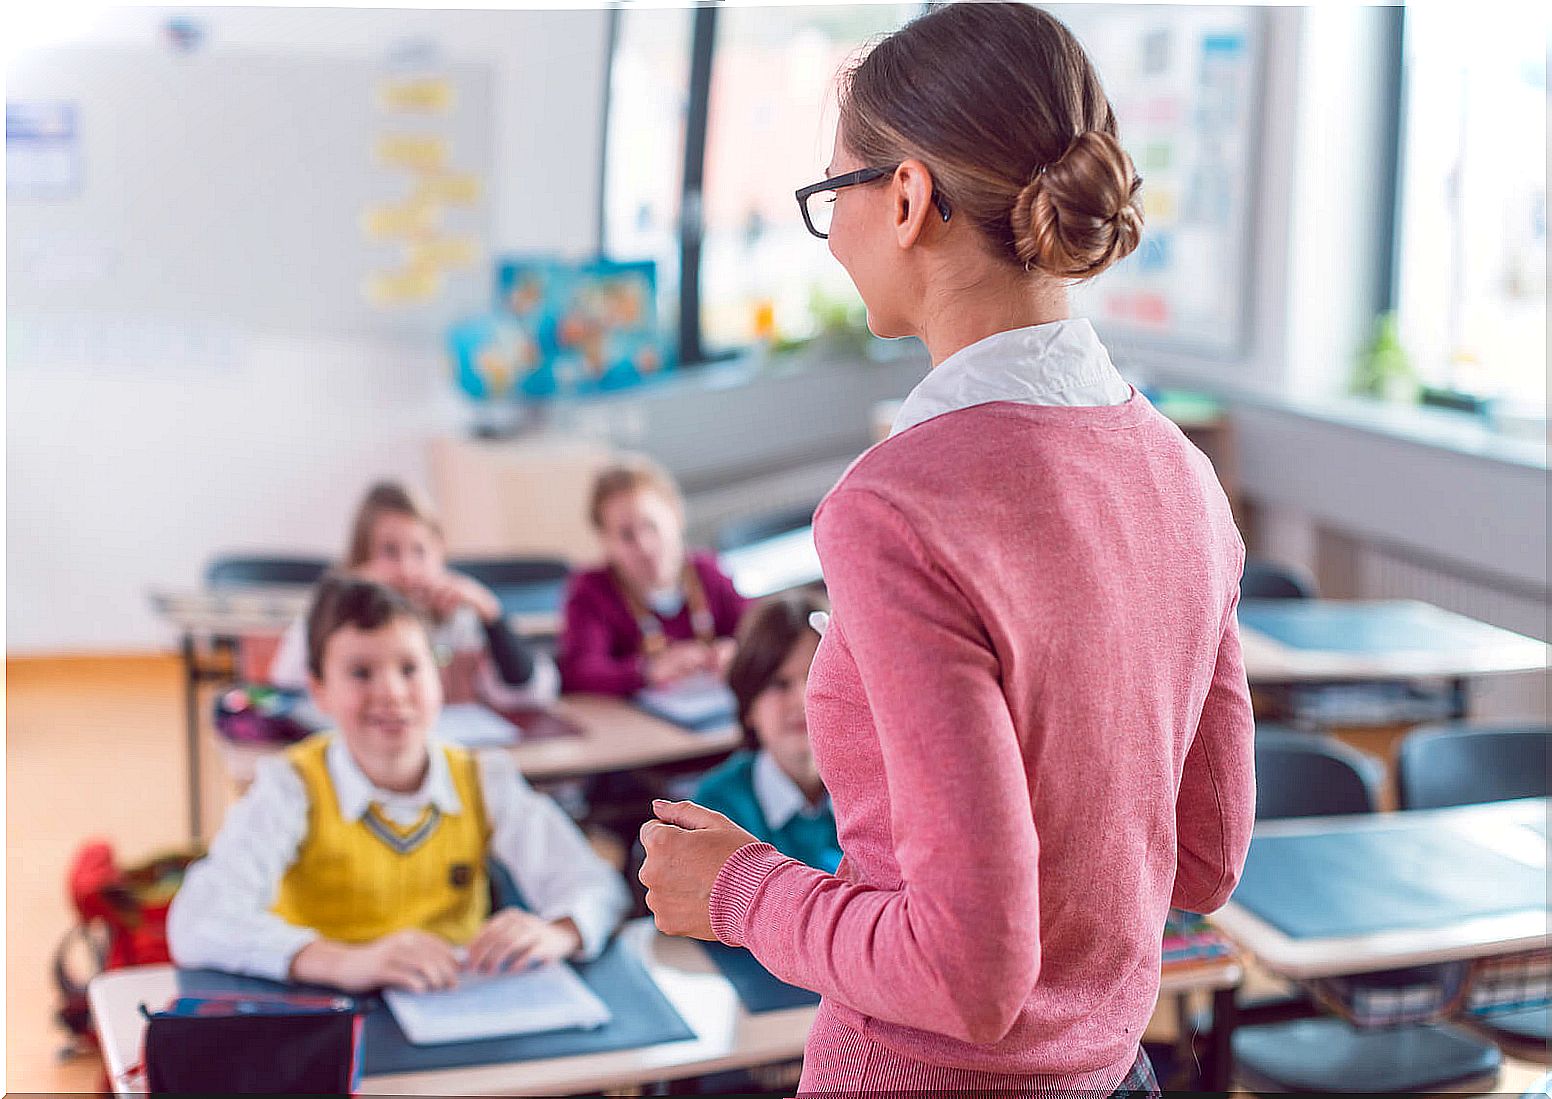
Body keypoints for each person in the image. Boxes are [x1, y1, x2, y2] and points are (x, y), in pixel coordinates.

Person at [637, 5, 1254, 1096]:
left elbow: (968, 971)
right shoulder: (1180, 473)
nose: (835, 234)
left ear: (909, 197)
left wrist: (738, 889)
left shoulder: (900, 502)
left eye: (836, 195)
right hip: (1114, 1076)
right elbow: (1203, 858)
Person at [170, 575, 628, 991]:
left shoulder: (482, 778)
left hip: (453, 1009)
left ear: (439, 678)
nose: (391, 692)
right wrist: (344, 962)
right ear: (319, 690)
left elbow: (597, 886)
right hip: (330, 1012)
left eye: (410, 668)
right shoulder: (292, 786)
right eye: (360, 672)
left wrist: (558, 930)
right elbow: (196, 920)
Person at [270, 481, 557, 709]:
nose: (407, 569)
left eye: (420, 551)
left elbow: (530, 694)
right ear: (361, 559)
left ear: (440, 552)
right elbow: (288, 684)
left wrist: (492, 616)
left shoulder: (459, 619)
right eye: (389, 552)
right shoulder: (339, 623)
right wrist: (339, 601)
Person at [557, 457, 748, 697]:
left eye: (651, 526)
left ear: (676, 517)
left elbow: (758, 629)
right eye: (626, 535)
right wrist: (646, 671)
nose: (644, 546)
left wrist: (737, 649)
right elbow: (579, 672)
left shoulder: (706, 571)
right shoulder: (591, 591)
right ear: (605, 541)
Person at [693, 592, 839, 873]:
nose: (802, 699)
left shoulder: (881, 787)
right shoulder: (717, 809)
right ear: (748, 706)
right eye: (779, 684)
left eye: (816, 676)